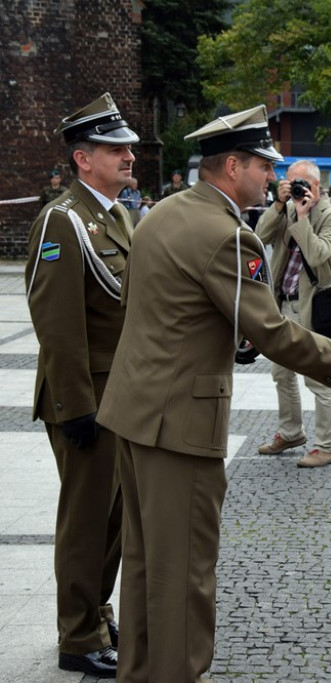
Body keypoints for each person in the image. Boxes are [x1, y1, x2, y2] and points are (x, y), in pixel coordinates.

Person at [96, 104, 331, 683]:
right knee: (184, 573)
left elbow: (159, 308)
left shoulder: (160, 214)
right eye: (263, 166)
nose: (272, 179)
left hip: (133, 411)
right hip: (179, 423)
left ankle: (140, 672)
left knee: (146, 564)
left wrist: (221, 340)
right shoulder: (229, 235)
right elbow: (273, 330)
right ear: (233, 166)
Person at [25, 92, 138, 679]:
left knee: (114, 518)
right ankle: (77, 637)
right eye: (115, 149)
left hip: (117, 396)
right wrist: (75, 406)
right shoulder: (62, 220)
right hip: (85, 400)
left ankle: (95, 610)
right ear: (81, 158)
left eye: (127, 149)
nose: (128, 158)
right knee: (87, 520)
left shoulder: (116, 216)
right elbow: (58, 323)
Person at [255, 158, 331, 468]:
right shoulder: (286, 208)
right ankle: (291, 432)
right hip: (281, 304)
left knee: (318, 378)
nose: (295, 189)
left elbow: (319, 253)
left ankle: (327, 445)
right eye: (290, 183)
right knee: (281, 373)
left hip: (311, 308)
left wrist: (303, 217)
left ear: (316, 187)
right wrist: (279, 206)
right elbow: (259, 236)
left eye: (301, 183)